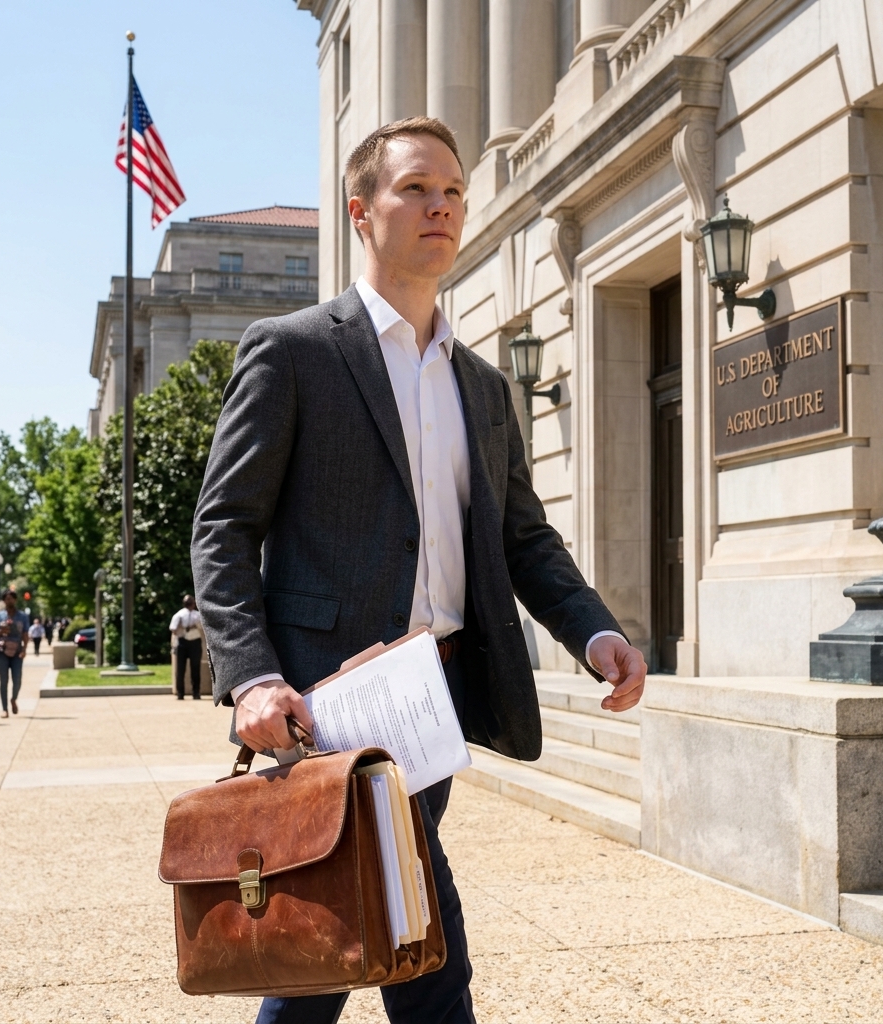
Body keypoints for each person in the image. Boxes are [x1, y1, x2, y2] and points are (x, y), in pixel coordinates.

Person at [192, 117, 647, 1024]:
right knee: (390, 935)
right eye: (414, 189)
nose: (439, 206)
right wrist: (251, 674)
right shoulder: (293, 351)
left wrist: (594, 630)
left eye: (452, 192)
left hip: (431, 701)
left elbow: (525, 539)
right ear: (361, 213)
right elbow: (223, 527)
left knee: (358, 930)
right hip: (321, 704)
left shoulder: (482, 385)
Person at [0, 590, 30, 718]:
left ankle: (13, 699)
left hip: (17, 650)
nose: (9, 601)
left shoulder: (22, 616)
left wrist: (24, 649)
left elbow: (25, 634)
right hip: (2, 651)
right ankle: (4, 709)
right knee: (3, 680)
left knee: (17, 679)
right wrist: (1, 631)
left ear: (15, 600)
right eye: (7, 599)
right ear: (4, 601)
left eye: (11, 598)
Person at [169, 595, 204, 700]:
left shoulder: (196, 615)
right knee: (181, 669)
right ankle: (182, 693)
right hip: (183, 642)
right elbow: (173, 629)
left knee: (195, 669)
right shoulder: (180, 615)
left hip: (194, 642)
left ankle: (195, 693)